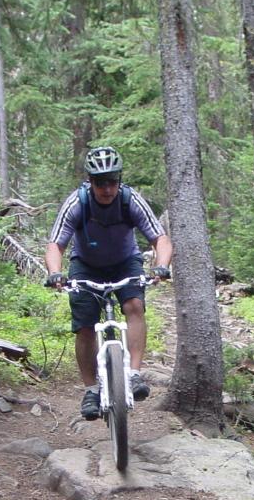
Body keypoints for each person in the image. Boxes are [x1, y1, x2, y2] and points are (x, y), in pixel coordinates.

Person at [45, 146, 173, 420]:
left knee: (134, 305)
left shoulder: (130, 200)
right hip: (86, 266)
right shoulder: (77, 203)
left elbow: (159, 238)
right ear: (90, 182)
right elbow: (56, 244)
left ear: (119, 179)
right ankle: (91, 389)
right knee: (85, 326)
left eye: (112, 181)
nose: (107, 188)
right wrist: (56, 273)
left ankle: (135, 374)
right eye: (100, 182)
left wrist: (161, 265)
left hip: (125, 262)